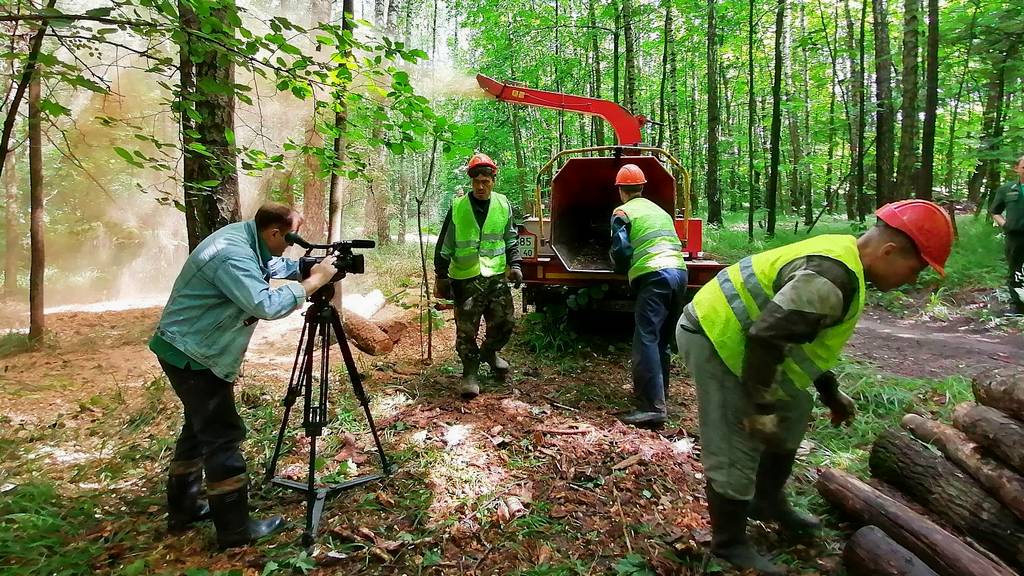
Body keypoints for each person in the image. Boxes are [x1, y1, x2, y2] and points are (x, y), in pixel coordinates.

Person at [676, 200, 954, 575]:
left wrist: (828, 391)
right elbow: (766, 338)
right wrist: (759, 409)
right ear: (889, 251)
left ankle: (767, 500)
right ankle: (730, 543)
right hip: (716, 338)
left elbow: (797, 336)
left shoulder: (846, 262)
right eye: (915, 269)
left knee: (794, 411)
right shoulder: (830, 277)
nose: (912, 280)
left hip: (753, 346)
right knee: (736, 441)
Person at [149, 202, 338, 549]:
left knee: (197, 430)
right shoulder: (232, 255)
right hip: (193, 354)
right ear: (274, 232)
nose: (290, 246)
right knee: (222, 435)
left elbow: (272, 263)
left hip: (188, 348)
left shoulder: (247, 240)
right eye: (289, 240)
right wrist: (315, 282)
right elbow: (266, 304)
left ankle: (184, 508)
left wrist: (303, 266)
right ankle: (234, 530)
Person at [434, 153, 522, 398]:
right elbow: (445, 243)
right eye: (477, 182)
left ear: (494, 180)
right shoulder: (458, 206)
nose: (481, 187)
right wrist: (440, 275)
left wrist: (515, 264)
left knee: (505, 323)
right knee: (466, 330)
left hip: (495, 277)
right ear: (471, 182)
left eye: (486, 181)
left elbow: (511, 238)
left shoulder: (503, 204)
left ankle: (490, 352)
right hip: (465, 278)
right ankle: (470, 372)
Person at [608, 164, 688, 429]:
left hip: (654, 275)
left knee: (646, 338)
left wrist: (619, 268)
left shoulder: (623, 212)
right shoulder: (660, 211)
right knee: (663, 339)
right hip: (679, 273)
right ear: (642, 187)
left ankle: (650, 408)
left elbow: (621, 249)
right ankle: (660, 397)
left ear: (621, 190)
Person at [989, 154, 1024, 315]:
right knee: (1015, 271)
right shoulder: (1006, 189)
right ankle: (1017, 307)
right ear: (1016, 169)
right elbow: (995, 211)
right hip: (1015, 237)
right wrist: (1006, 225)